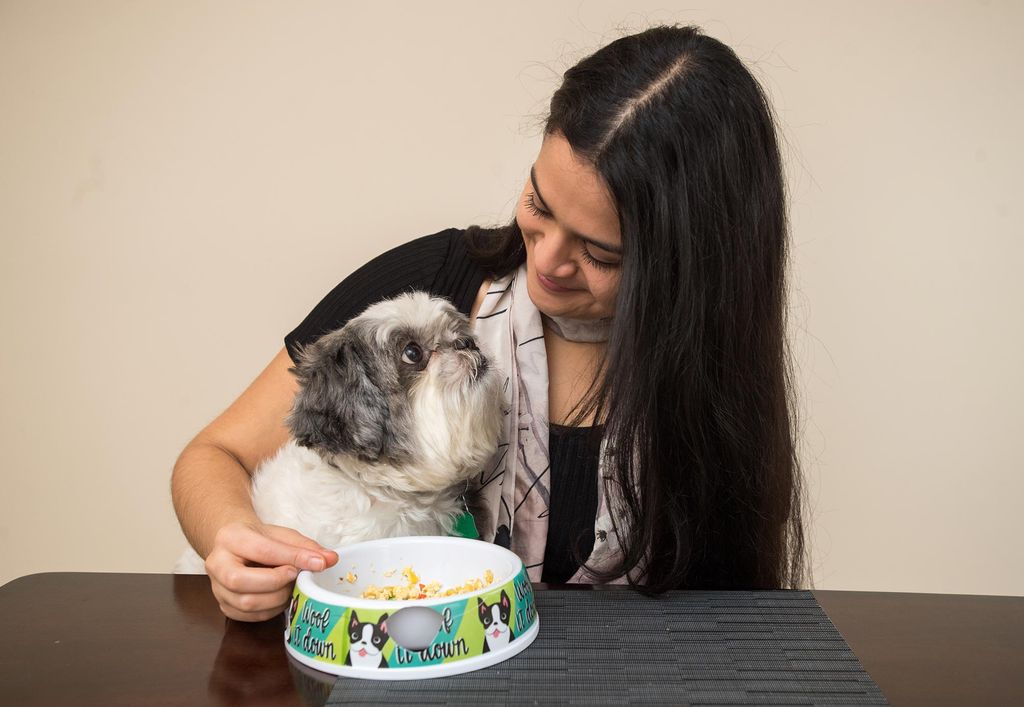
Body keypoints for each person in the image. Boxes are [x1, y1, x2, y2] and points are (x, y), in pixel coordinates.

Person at [172, 24, 807, 622]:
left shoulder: (715, 389)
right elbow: (212, 455)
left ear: (683, 265)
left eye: (600, 252)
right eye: (538, 202)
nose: (549, 261)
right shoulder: (434, 282)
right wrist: (238, 541)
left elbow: (730, 617)